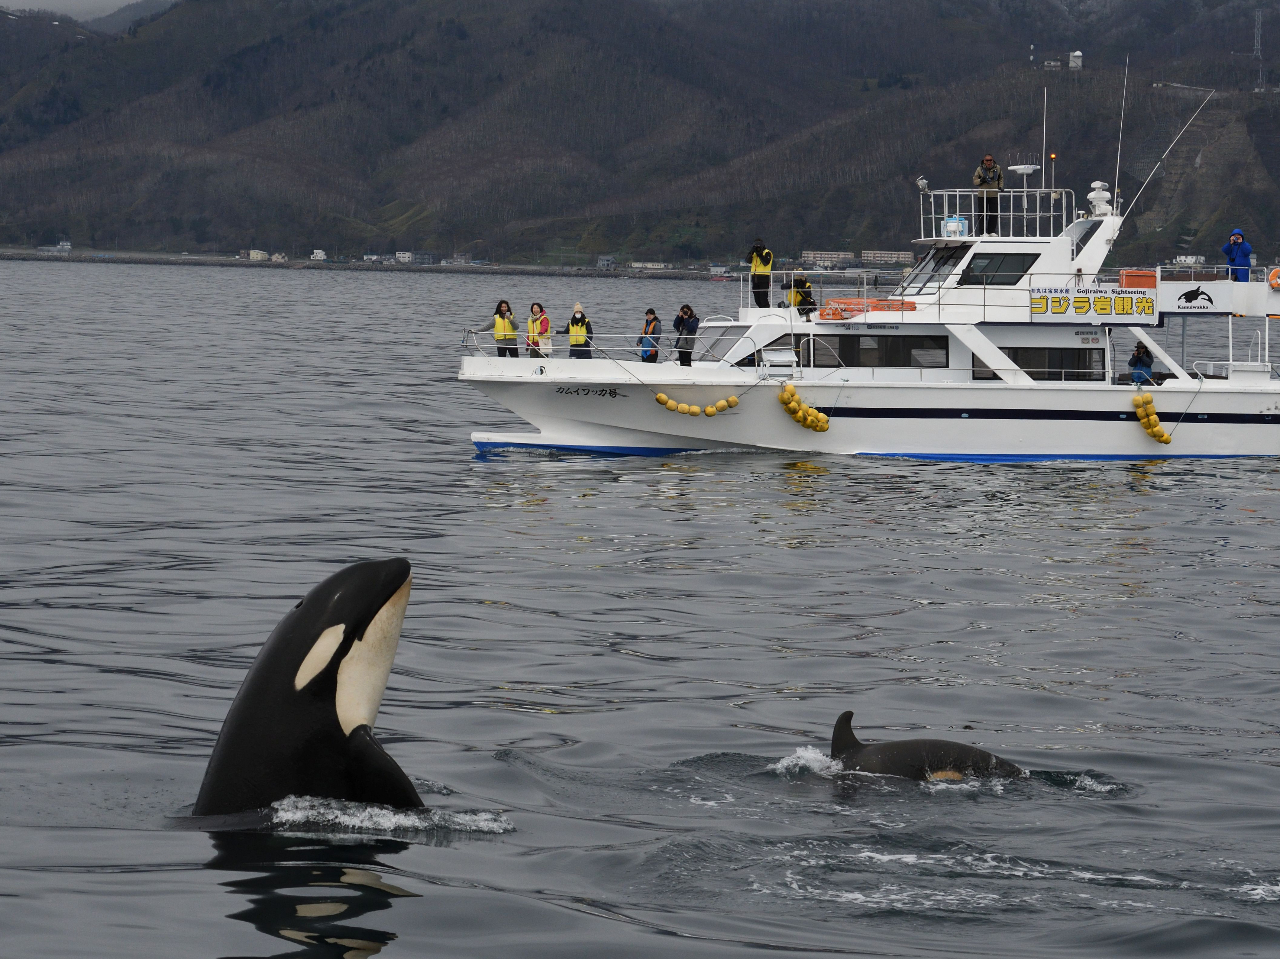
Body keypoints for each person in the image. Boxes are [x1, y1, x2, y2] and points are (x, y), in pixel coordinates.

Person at [972, 154, 1003, 236]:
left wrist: (1000, 187)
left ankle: (991, 231)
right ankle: (982, 232)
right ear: (984, 161)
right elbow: (975, 181)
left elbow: (1001, 178)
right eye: (987, 160)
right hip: (982, 194)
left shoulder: (997, 168)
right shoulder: (979, 169)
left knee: (994, 213)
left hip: (994, 194)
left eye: (990, 160)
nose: (989, 162)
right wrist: (981, 180)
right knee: (982, 213)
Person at [748, 238, 773, 308]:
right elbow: (748, 261)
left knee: (763, 298)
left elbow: (766, 263)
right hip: (754, 277)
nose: (757, 248)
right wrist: (751, 252)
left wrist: (760, 254)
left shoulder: (767, 252)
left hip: (764, 277)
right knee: (757, 298)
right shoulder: (754, 253)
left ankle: (767, 311)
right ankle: (761, 310)